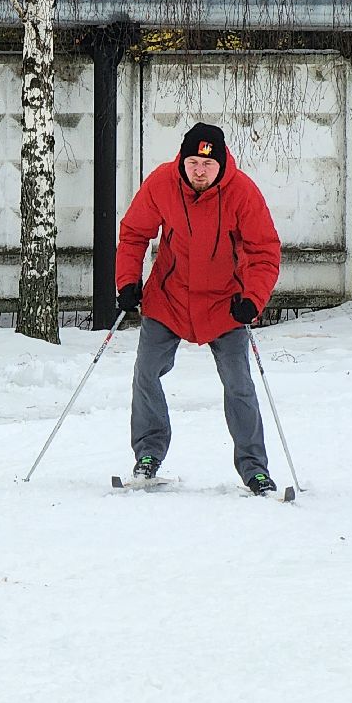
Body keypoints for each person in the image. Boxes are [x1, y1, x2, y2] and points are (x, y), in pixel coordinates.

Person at [115, 122, 282, 494]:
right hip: (169, 298)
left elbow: (264, 251)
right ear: (183, 161)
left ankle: (255, 469)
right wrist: (127, 282)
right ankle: (148, 456)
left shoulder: (242, 193)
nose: (200, 171)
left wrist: (253, 299)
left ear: (221, 165)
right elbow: (134, 233)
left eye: (207, 165)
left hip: (226, 303)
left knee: (239, 385)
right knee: (146, 372)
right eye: (193, 162)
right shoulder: (162, 182)